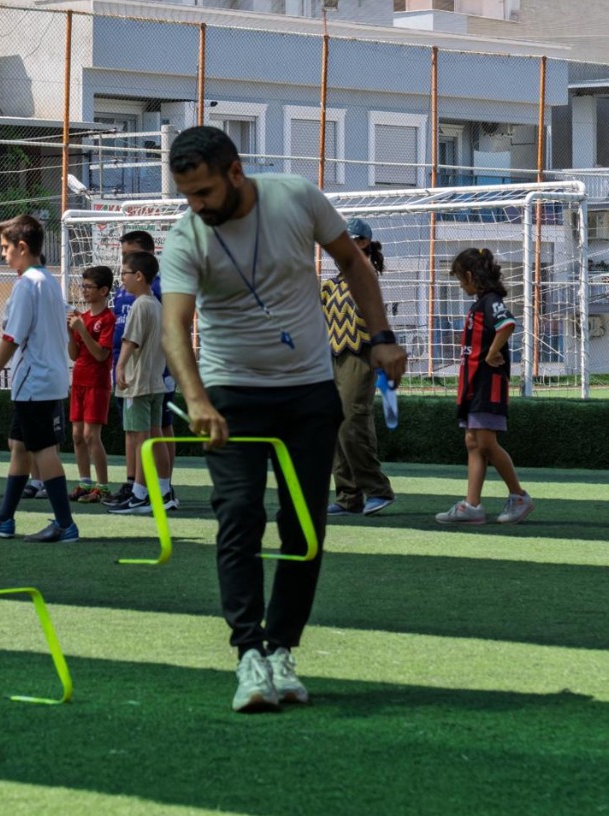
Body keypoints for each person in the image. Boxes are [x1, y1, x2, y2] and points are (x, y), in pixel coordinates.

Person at [159, 126, 406, 712]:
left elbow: (352, 262)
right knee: (239, 517)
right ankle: (248, 654)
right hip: (230, 394)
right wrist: (196, 398)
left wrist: (382, 337)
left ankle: (280, 651)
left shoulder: (296, 197)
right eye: (187, 195)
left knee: (304, 527)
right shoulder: (186, 236)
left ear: (236, 173)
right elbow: (174, 327)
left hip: (306, 393)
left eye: (205, 192)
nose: (197, 205)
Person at [0, 214, 79, 543]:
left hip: (35, 382)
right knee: (18, 446)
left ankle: (65, 524)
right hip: (47, 379)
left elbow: (10, 338)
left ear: (22, 247)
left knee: (43, 450)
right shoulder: (47, 281)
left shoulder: (26, 285)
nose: (3, 254)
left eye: (6, 248)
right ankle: (4, 518)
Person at [435, 248, 533, 525]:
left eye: (459, 280)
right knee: (472, 441)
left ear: (469, 276)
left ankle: (519, 496)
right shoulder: (480, 304)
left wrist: (491, 353)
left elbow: (508, 324)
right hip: (473, 385)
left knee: (486, 442)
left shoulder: (490, 301)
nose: (460, 286)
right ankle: (472, 506)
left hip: (487, 385)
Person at [321, 218, 395, 516]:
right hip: (332, 356)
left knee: (352, 421)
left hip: (360, 354)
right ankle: (348, 495)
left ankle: (378, 489)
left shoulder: (365, 276)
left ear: (363, 242)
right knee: (336, 424)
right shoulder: (330, 284)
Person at [104, 230, 177, 511]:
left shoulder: (147, 300)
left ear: (140, 274)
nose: (121, 275)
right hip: (150, 379)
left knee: (144, 436)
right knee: (148, 433)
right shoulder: (147, 301)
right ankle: (157, 491)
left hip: (141, 381)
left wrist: (121, 365)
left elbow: (131, 340)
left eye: (126, 270)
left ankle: (143, 492)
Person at [67, 265, 115, 503]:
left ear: (104, 290)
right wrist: (70, 332)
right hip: (78, 381)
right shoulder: (83, 319)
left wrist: (82, 330)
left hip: (97, 383)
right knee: (77, 435)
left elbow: (101, 355)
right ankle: (85, 483)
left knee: (91, 436)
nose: (83, 291)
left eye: (89, 287)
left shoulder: (107, 318)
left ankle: (103, 486)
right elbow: (74, 355)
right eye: (82, 286)